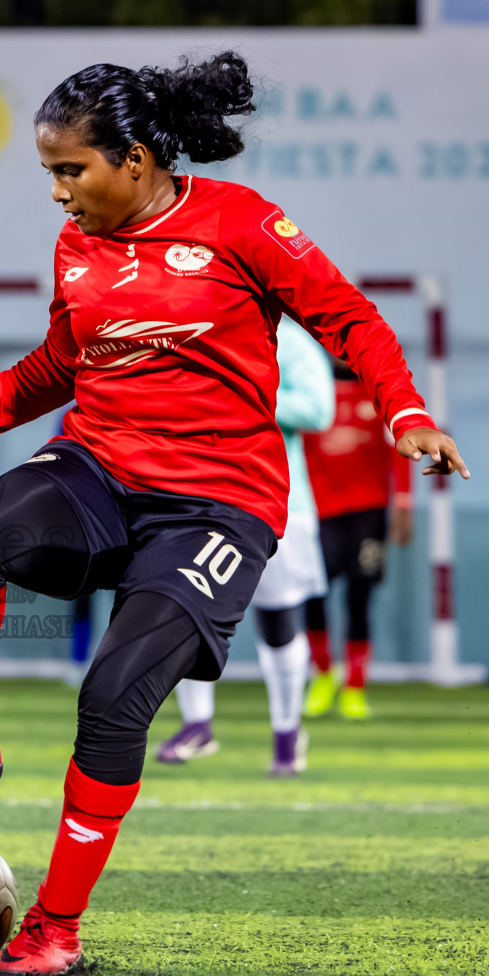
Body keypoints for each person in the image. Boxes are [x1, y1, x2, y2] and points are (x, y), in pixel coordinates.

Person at [0, 53, 468, 976]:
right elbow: (56, 369)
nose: (59, 193)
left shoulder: (242, 223)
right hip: (100, 468)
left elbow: (351, 320)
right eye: (50, 173)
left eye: (72, 171)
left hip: (218, 509)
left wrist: (406, 413)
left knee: (113, 698)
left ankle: (55, 928)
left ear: (135, 159)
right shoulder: (77, 247)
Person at [159, 317, 334, 776]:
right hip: (198, 498)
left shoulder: (293, 345)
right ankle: (196, 725)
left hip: (276, 502)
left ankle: (287, 733)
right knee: (181, 608)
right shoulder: (198, 328)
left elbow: (319, 410)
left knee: (278, 620)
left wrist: (243, 396)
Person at [302, 359, 415, 720]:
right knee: (314, 592)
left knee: (359, 596)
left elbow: (400, 449)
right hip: (319, 510)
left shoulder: (377, 395)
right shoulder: (313, 393)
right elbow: (294, 451)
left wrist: (403, 502)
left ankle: (354, 685)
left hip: (368, 510)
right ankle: (322, 674)